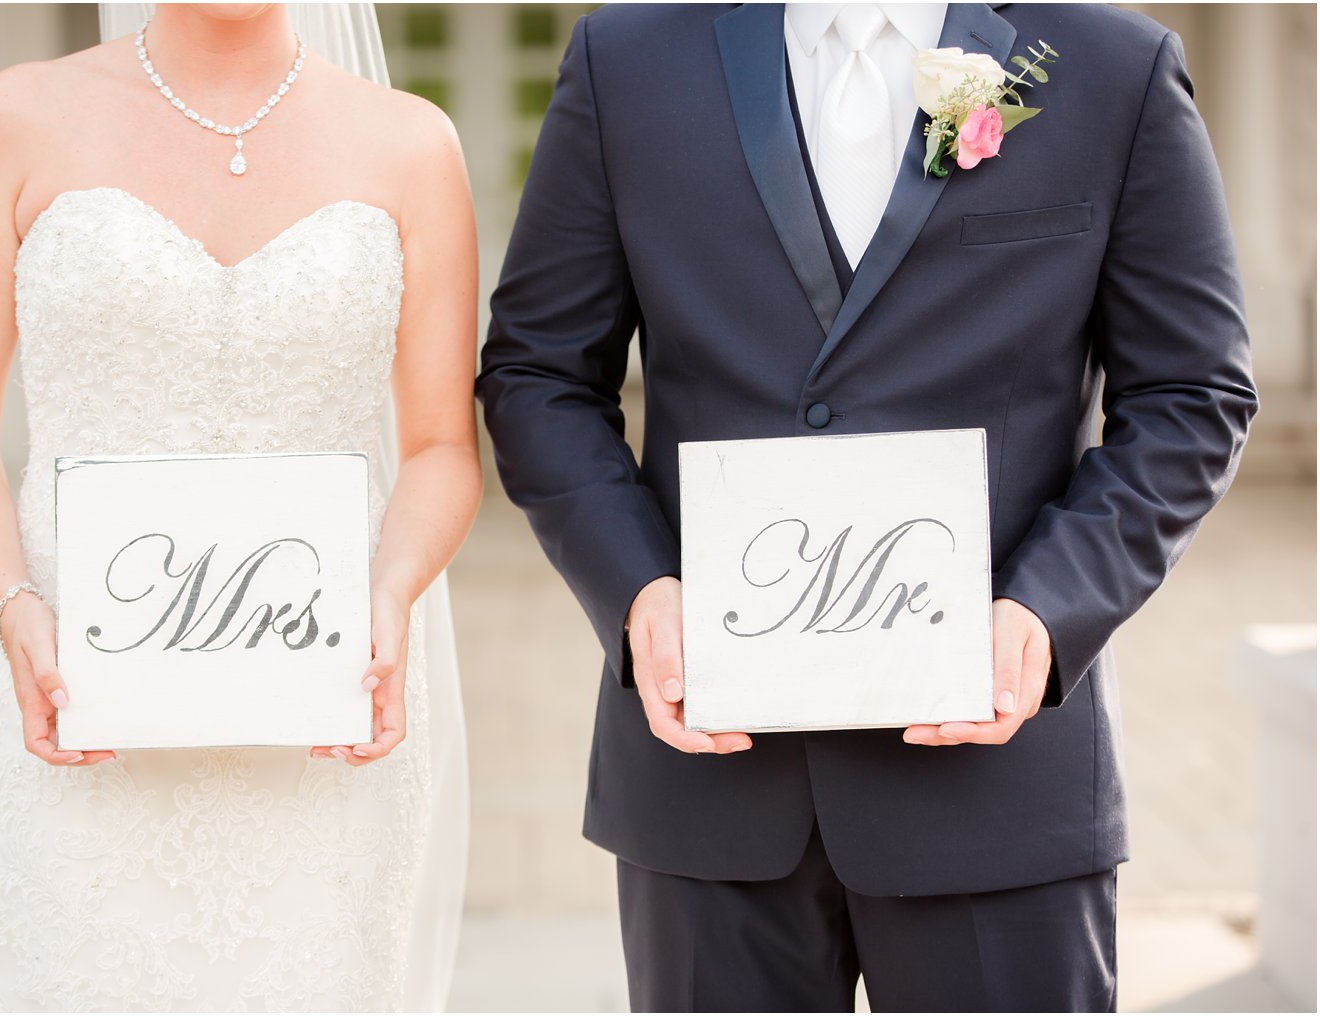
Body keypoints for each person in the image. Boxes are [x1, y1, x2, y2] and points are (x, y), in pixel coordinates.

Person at [477, 2, 1257, 1010]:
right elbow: (535, 372)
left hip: (994, 778)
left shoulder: (1111, 64)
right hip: (712, 782)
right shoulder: (625, 57)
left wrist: (1045, 608)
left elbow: (1191, 394)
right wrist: (636, 591)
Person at [0, 3, 480, 1009]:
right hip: (77, 700)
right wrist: (14, 605)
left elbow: (440, 446)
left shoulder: (410, 143)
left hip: (322, 715)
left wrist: (391, 591)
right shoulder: (23, 115)